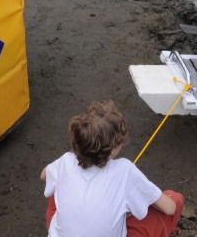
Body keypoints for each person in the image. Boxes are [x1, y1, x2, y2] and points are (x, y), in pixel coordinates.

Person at [42, 100, 184, 237]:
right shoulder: (125, 170)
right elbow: (169, 208)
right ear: (113, 150)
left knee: (55, 186)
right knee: (176, 199)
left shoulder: (66, 161)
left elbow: (44, 175)